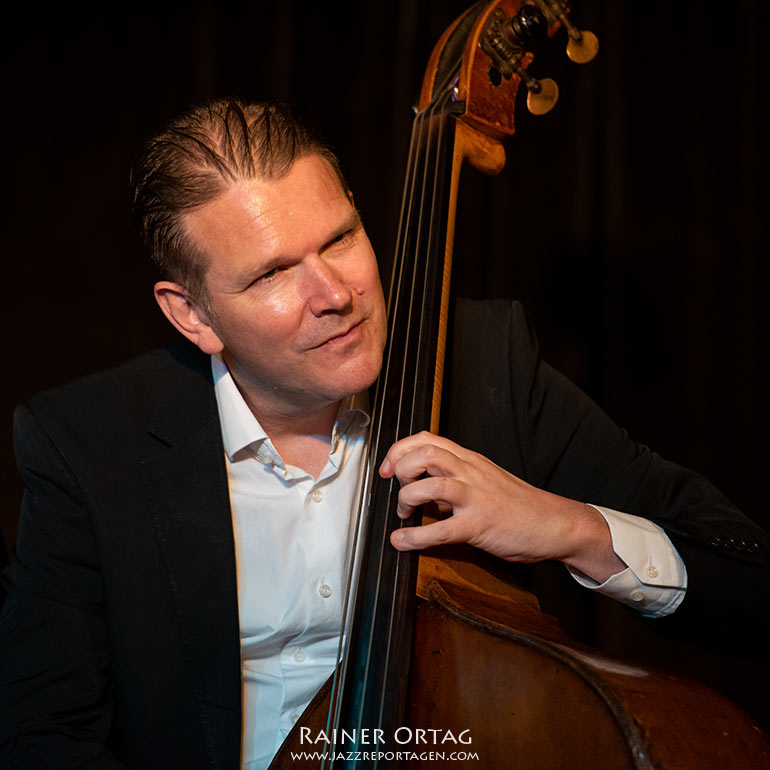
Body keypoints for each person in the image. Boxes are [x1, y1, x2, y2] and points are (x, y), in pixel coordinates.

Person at [1, 98, 768, 770]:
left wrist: (566, 527)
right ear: (192, 314)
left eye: (340, 238)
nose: (335, 294)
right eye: (273, 275)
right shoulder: (86, 441)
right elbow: (40, 737)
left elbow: (749, 582)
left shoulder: (482, 364)